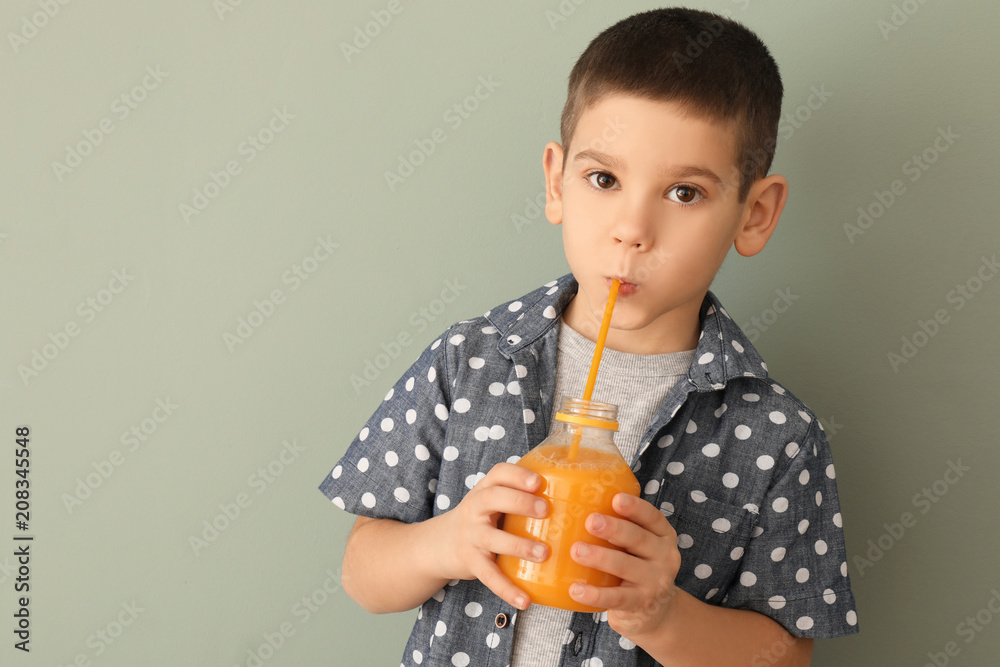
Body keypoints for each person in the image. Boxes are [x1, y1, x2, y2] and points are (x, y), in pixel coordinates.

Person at [318, 7, 859, 666]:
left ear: (754, 214)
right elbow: (361, 572)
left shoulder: (776, 434)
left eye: (684, 193)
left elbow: (784, 655)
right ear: (556, 182)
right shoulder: (472, 362)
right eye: (604, 179)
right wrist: (452, 541)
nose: (632, 229)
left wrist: (663, 614)